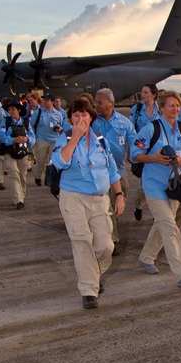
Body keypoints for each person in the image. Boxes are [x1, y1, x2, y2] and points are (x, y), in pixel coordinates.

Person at [52, 97, 125, 309]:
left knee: (105, 246)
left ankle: (93, 274)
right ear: (70, 120)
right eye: (76, 115)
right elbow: (59, 162)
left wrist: (119, 194)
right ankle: (88, 290)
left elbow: (112, 170)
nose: (81, 118)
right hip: (73, 198)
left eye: (84, 114)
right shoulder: (64, 138)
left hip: (100, 200)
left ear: (91, 117)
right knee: (82, 241)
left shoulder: (101, 140)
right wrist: (74, 138)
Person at [132, 90, 181, 288]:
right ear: (161, 107)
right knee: (169, 226)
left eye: (177, 105)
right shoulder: (150, 129)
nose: (175, 109)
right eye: (171, 105)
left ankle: (146, 257)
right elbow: (135, 154)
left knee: (163, 224)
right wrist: (154, 158)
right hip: (153, 185)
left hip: (174, 186)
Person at [92, 88, 135, 252]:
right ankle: (112, 239)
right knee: (105, 208)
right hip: (97, 173)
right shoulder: (92, 122)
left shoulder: (124, 123)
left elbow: (136, 143)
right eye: (96, 102)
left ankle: (109, 231)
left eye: (100, 102)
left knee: (117, 206)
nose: (97, 105)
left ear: (110, 103)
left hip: (118, 171)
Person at [129, 83, 160, 221]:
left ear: (153, 95)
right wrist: (131, 150)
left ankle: (156, 212)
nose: (143, 95)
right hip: (142, 150)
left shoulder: (160, 111)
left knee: (157, 182)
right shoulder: (136, 109)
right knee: (144, 184)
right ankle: (138, 204)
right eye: (142, 92)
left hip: (156, 150)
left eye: (146, 92)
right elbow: (131, 130)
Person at [0, 100, 35, 209]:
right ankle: (17, 199)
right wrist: (13, 140)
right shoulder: (5, 122)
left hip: (22, 152)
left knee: (22, 175)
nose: (11, 111)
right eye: (9, 110)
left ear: (18, 110)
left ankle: (22, 196)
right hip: (9, 152)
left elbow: (32, 138)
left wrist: (26, 139)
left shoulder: (26, 123)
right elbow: (1, 136)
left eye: (13, 109)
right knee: (14, 174)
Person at [30, 94, 66, 187]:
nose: (46, 101)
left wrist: (60, 129)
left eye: (48, 100)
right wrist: (34, 137)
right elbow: (31, 125)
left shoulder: (58, 114)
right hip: (42, 139)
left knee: (54, 160)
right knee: (41, 161)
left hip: (54, 139)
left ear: (52, 102)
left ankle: (51, 179)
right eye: (45, 100)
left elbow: (63, 125)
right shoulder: (38, 112)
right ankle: (38, 176)